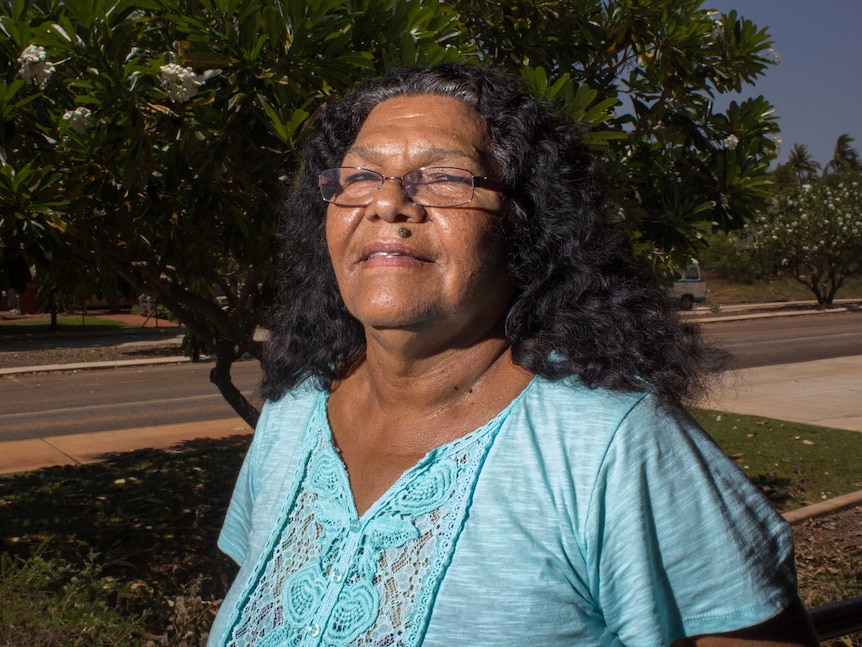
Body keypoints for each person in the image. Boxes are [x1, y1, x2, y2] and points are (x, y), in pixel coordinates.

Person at [209, 64, 817, 646]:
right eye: (361, 177)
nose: (387, 203)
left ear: (524, 223)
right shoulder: (294, 414)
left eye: (443, 177)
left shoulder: (609, 447)